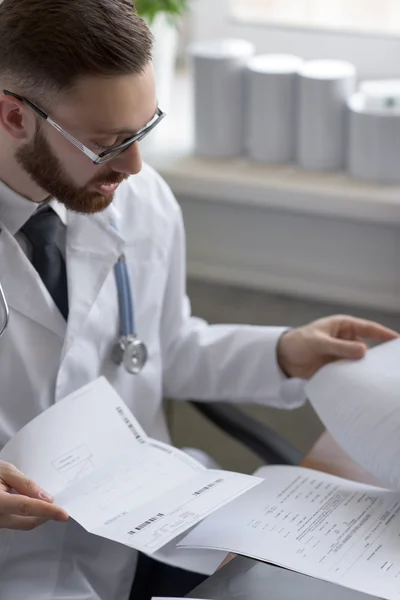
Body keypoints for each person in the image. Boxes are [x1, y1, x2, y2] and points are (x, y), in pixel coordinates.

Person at [0, 1, 396, 599]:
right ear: (12, 117)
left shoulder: (141, 200)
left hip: (143, 530)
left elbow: (165, 348)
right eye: (107, 143)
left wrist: (285, 353)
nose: (134, 165)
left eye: (144, 130)